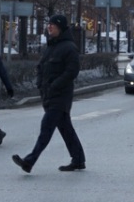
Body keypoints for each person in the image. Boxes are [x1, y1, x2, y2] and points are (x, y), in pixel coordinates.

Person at [13, 15, 87, 173]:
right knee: (66, 129)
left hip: (60, 96)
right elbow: (41, 67)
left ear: (60, 27)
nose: (49, 27)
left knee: (46, 129)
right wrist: (40, 84)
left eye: (52, 25)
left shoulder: (69, 47)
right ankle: (78, 160)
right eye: (49, 24)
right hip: (48, 94)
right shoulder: (51, 46)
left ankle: (29, 161)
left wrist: (55, 85)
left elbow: (72, 71)